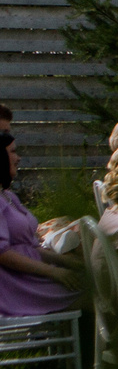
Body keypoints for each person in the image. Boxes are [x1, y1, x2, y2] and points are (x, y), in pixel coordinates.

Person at [0, 124, 79, 320]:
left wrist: (67, 263)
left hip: (32, 275)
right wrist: (54, 272)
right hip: (16, 286)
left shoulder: (8, 196)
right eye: (13, 152)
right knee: (95, 291)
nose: (18, 158)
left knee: (91, 279)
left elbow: (31, 247)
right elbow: (3, 254)